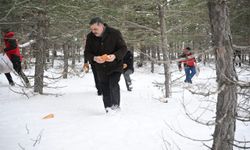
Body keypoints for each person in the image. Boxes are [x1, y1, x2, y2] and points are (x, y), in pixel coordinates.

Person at [84, 17, 127, 113]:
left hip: (115, 65)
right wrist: (94, 58)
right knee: (104, 87)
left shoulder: (114, 33)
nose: (93, 31)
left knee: (113, 84)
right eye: (91, 29)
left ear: (101, 25)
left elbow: (123, 48)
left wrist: (115, 56)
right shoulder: (90, 37)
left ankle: (115, 107)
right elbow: (87, 53)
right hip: (100, 68)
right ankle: (108, 108)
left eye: (95, 29)